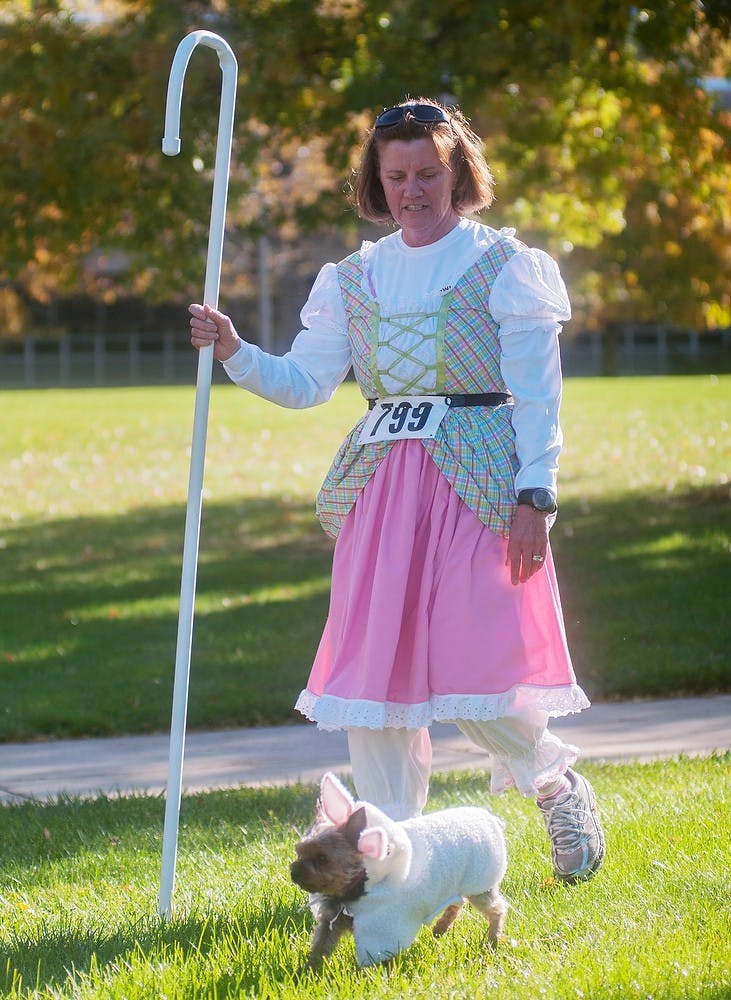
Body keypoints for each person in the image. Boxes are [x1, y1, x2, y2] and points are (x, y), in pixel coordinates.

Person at [189, 98, 605, 883]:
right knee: (376, 688)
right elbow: (307, 382)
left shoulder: (504, 265)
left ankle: (553, 780)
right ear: (376, 183)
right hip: (383, 488)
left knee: (478, 677)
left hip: (480, 483)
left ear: (457, 174)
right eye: (396, 176)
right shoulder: (351, 278)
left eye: (426, 173)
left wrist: (535, 497)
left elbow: (539, 395)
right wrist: (237, 351)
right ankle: (396, 870)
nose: (412, 189)